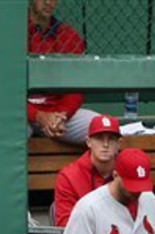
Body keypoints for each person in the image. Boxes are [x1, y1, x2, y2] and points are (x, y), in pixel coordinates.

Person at [28, 0, 97, 145]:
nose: (48, 2)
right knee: (7, 132)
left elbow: (75, 89)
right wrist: (38, 116)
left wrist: (61, 115)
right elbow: (5, 93)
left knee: (104, 128)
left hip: (58, 116)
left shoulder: (68, 36)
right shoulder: (11, 35)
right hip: (21, 116)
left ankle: (81, 169)